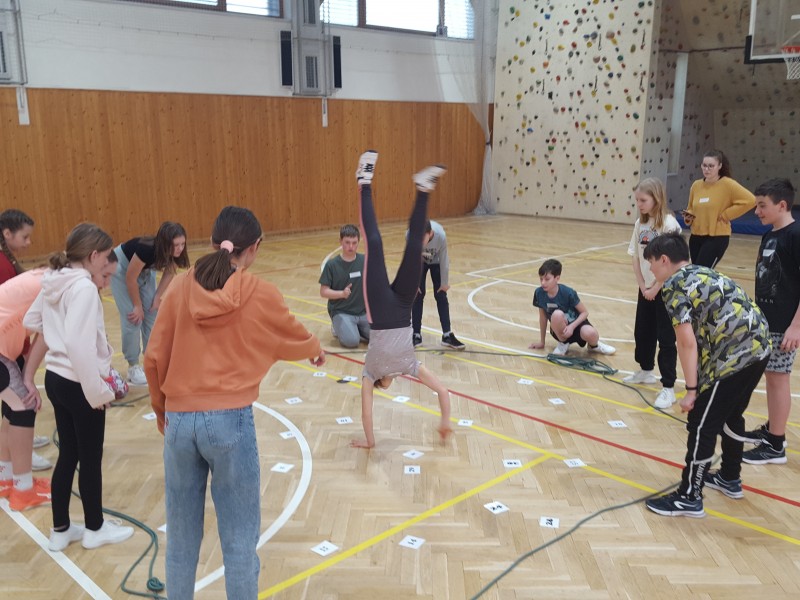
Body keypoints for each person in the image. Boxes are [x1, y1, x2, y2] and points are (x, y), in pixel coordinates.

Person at [144, 206, 324, 600]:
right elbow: (289, 331)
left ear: (212, 243)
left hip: (179, 421)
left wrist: (163, 414)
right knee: (240, 543)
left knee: (181, 541)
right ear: (254, 247)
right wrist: (314, 347)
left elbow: (152, 359)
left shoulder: (178, 289)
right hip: (229, 421)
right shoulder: (259, 292)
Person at [23, 223, 134, 551]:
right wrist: (97, 391)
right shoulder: (83, 287)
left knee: (69, 453)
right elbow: (77, 344)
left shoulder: (55, 278)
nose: (106, 268)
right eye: (106, 258)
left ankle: (60, 530)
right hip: (78, 382)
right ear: (94, 255)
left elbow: (32, 320)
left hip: (55, 379)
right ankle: (95, 529)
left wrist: (56, 331)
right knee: (90, 457)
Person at [643, 233, 770, 517]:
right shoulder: (703, 271)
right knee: (731, 414)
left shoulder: (674, 285)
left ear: (664, 260)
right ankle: (730, 477)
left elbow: (686, 342)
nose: (650, 269)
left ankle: (689, 496)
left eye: (651, 262)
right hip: (759, 347)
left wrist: (691, 391)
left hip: (735, 355)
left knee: (701, 423)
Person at [349, 151, 453, 450]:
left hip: (380, 310)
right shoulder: (409, 366)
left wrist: (370, 442)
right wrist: (445, 421)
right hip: (404, 306)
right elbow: (443, 391)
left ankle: (364, 181)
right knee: (416, 245)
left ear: (383, 385)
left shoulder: (370, 373)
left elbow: (366, 411)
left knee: (374, 243)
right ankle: (423, 189)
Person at [742, 179, 799, 465]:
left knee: (778, 379)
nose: (757, 212)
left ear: (782, 205)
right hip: (766, 321)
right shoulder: (770, 235)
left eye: (762, 206)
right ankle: (772, 429)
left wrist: (796, 326)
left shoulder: (795, 235)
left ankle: (776, 445)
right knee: (771, 376)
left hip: (784, 324)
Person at [0, 209, 51, 470]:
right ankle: (19, 456)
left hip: (11, 344)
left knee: (14, 404)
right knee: (19, 405)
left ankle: (13, 456)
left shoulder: (8, 261)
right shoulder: (1, 265)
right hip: (6, 345)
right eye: (25, 237)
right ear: (7, 234)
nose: (29, 243)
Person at [624, 178, 682, 409]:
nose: (639, 204)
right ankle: (645, 370)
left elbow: (674, 263)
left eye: (643, 200)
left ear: (656, 199)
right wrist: (642, 285)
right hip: (646, 289)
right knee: (643, 331)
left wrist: (656, 287)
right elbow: (635, 256)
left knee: (666, 338)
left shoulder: (669, 224)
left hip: (665, 290)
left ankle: (668, 387)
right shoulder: (641, 223)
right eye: (637, 200)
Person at [110, 222, 189, 386]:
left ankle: (151, 359)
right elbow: (130, 278)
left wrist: (158, 296)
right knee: (134, 317)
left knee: (152, 313)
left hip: (144, 270)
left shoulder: (177, 252)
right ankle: (133, 366)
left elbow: (169, 272)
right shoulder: (147, 249)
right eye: (176, 245)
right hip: (122, 269)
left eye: (182, 244)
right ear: (165, 243)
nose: (180, 248)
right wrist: (137, 306)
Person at [0, 267, 50, 511]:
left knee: (13, 408)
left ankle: (6, 477)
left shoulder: (44, 276)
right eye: (104, 276)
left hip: (5, 351)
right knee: (24, 406)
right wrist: (28, 378)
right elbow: (47, 335)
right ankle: (23, 489)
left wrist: (26, 373)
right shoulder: (54, 287)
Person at [682, 149, 755, 268]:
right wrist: (688, 217)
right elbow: (690, 208)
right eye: (704, 165)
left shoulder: (727, 184)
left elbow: (750, 200)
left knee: (702, 272)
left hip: (716, 237)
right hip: (696, 236)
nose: (707, 169)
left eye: (711, 166)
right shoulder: (696, 185)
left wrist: (726, 215)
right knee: (695, 272)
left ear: (719, 166)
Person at [528, 259, 616, 356]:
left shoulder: (568, 293)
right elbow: (543, 318)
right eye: (541, 279)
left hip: (576, 325)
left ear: (557, 278)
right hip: (559, 330)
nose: (543, 283)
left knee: (591, 333)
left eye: (547, 279)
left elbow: (584, 313)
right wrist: (542, 342)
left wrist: (571, 327)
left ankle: (594, 346)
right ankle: (563, 343)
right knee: (557, 314)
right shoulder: (539, 293)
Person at [411, 220, 465, 350]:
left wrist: (444, 283)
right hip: (419, 261)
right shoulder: (410, 235)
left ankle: (447, 336)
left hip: (436, 260)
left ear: (430, 233)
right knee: (418, 294)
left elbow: (444, 260)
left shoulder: (441, 236)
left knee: (441, 294)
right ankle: (416, 334)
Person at [319, 224, 371, 348]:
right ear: (340, 241)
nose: (351, 247)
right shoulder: (332, 265)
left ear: (358, 242)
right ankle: (338, 327)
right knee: (352, 342)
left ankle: (355, 329)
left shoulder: (365, 260)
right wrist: (341, 294)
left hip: (362, 312)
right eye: (347, 242)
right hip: (342, 311)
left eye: (354, 243)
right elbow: (323, 291)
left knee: (380, 336)